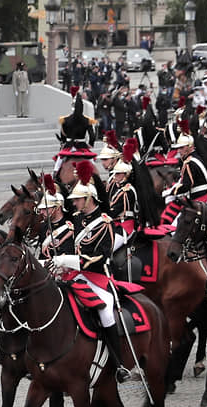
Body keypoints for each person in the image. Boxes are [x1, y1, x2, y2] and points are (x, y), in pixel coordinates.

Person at [51, 161, 139, 383]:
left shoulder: (105, 223)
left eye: (78, 200)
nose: (74, 203)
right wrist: (60, 261)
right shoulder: (79, 219)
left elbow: (101, 257)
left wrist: (68, 259)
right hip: (76, 275)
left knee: (106, 311)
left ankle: (119, 363)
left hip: (97, 278)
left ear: (88, 199)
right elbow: (73, 247)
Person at [35, 174, 74, 260]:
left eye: (45, 209)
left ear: (57, 208)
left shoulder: (70, 228)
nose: (41, 212)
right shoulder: (43, 227)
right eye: (41, 209)